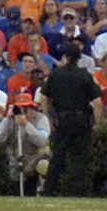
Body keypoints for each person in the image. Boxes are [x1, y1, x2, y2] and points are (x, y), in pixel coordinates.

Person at [43, 38, 100, 195]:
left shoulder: (56, 75)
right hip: (81, 119)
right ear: (79, 58)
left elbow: (44, 98)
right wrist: (97, 122)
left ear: (66, 57)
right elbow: (97, 101)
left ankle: (48, 189)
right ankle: (76, 191)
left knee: (57, 156)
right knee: (79, 158)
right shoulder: (85, 75)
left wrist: (49, 118)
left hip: (62, 119)